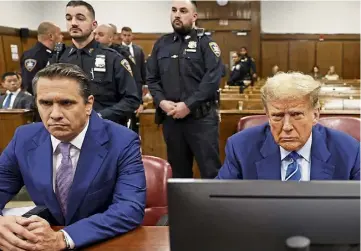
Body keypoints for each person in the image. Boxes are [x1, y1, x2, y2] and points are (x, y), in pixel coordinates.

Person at [0, 63, 146, 250]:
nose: (55, 114)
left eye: (66, 103)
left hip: (103, 241)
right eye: (45, 103)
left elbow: (129, 208)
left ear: (88, 105)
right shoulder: (24, 137)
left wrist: (64, 238)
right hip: (42, 239)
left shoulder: (122, 140)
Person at [216, 72, 360, 180]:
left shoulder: (349, 150)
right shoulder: (241, 147)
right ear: (267, 115)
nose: (286, 126)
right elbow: (221, 203)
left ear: (315, 115)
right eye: (277, 116)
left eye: (296, 115)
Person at [147, 0, 223, 178]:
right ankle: (183, 207)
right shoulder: (161, 44)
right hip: (172, 120)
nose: (177, 15)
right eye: (174, 10)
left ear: (194, 16)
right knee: (178, 173)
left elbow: (212, 79)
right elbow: (152, 78)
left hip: (201, 120)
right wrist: (162, 102)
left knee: (210, 170)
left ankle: (214, 207)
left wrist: (188, 105)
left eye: (183, 11)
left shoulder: (206, 43)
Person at [51, 0, 140, 126]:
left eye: (80, 18)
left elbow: (131, 100)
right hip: (67, 129)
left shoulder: (113, 58)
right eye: (69, 18)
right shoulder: (59, 59)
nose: (74, 23)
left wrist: (99, 117)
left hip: (105, 129)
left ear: (94, 25)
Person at [21, 21, 63, 95]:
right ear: (51, 36)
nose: (62, 37)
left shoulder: (54, 52)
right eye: (59, 34)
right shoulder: (33, 56)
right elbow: (30, 84)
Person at [121, 26, 147, 133]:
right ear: (121, 36)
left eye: (129, 35)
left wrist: (144, 83)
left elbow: (142, 68)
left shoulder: (138, 50)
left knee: (137, 114)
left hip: (137, 84)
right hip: (124, 85)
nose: (127, 38)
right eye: (125, 35)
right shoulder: (117, 50)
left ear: (132, 36)